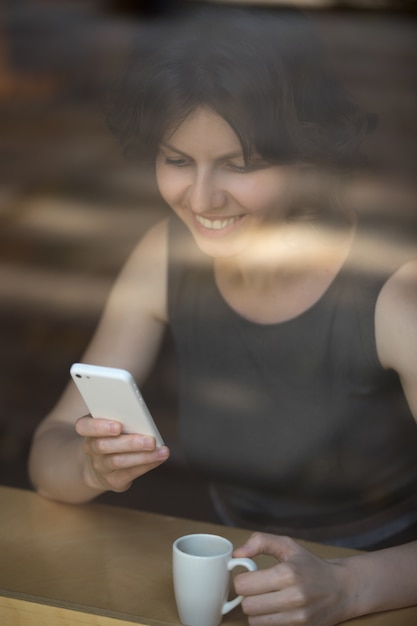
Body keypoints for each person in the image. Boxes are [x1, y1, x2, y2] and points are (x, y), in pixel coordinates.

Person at [28, 4, 417, 625]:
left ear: (309, 155)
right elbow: (46, 463)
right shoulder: (164, 254)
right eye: (177, 160)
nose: (202, 200)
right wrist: (89, 465)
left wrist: (349, 588)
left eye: (240, 165)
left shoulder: (395, 292)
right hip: (231, 584)